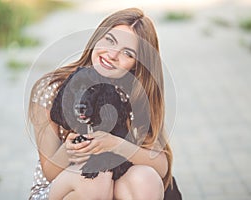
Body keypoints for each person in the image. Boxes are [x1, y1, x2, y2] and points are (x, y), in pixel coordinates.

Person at [28, 8, 175, 200]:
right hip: (63, 189)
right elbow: (49, 173)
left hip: (114, 186)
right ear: (97, 38)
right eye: (110, 40)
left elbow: (161, 166)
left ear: (137, 64)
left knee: (145, 179)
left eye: (128, 53)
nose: (113, 54)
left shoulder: (134, 95)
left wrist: (115, 144)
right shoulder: (53, 89)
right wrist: (69, 150)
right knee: (96, 176)